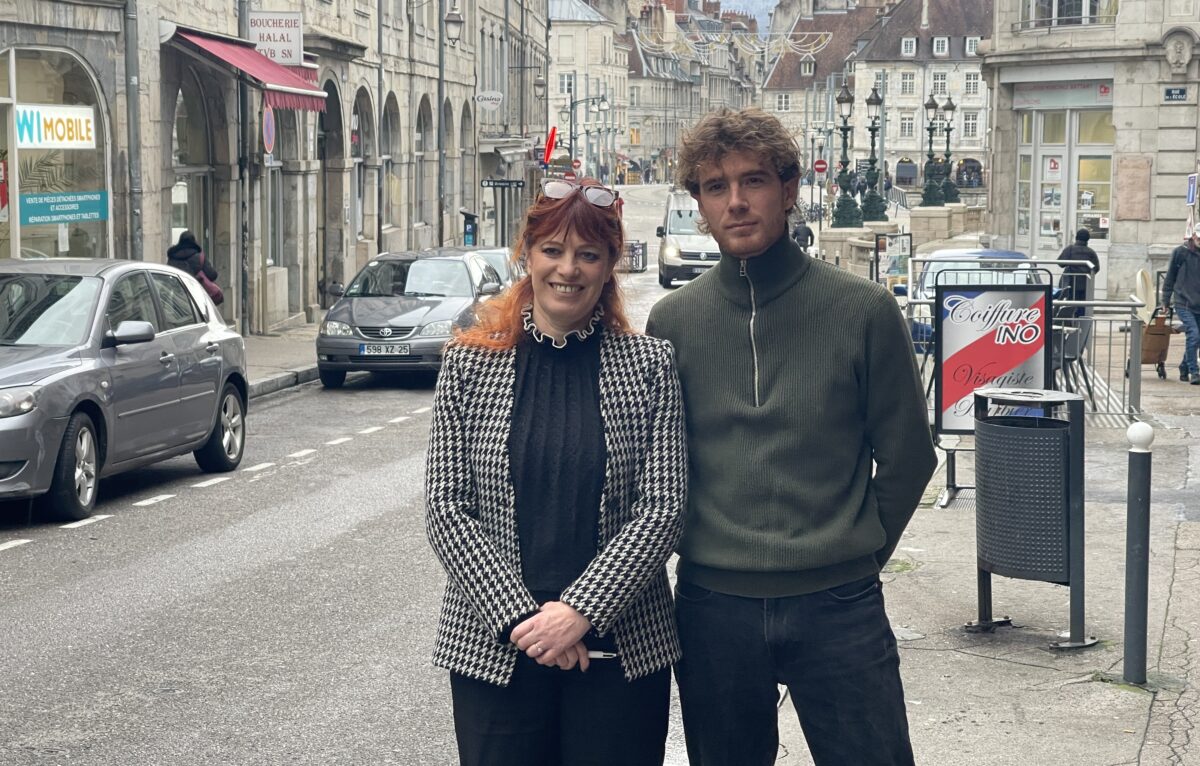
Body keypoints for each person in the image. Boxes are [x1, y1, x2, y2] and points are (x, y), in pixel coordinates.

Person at [646, 107, 937, 766]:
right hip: (713, 605)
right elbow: (660, 468)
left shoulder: (864, 311)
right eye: (716, 187)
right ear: (698, 202)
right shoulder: (673, 322)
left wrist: (851, 558)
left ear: (789, 189)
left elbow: (908, 457)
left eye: (754, 180)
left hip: (837, 603)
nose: (737, 201)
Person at [425, 176, 687, 766]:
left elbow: (663, 507)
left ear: (610, 265)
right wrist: (524, 621)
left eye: (588, 254)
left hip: (621, 650)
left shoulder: (649, 365)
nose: (568, 269)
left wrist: (580, 613)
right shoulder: (468, 363)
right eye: (553, 250)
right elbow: (446, 508)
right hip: (494, 648)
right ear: (528, 254)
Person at [1163, 232, 1200, 384]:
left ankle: (1184, 366)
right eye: (1198, 238)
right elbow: (1170, 276)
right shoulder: (1180, 252)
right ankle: (1194, 371)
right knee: (1194, 334)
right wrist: (1165, 301)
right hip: (1183, 302)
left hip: (1198, 303)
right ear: (1193, 236)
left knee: (1197, 338)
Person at [1055, 228, 1100, 318]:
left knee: (1070, 305)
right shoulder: (1091, 252)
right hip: (1085, 285)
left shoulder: (1070, 249)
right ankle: (1081, 324)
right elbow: (1096, 268)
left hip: (1070, 284)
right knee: (1082, 305)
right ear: (1088, 239)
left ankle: (1069, 323)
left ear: (1076, 237)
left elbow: (1060, 263)